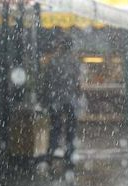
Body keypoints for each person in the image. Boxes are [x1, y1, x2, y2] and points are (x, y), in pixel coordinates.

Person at [42, 33, 81, 168]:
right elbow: (77, 84)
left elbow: (46, 82)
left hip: (55, 99)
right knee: (70, 128)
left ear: (61, 46)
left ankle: (50, 153)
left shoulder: (52, 61)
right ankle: (69, 154)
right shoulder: (74, 62)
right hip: (70, 100)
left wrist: (46, 98)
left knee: (55, 128)